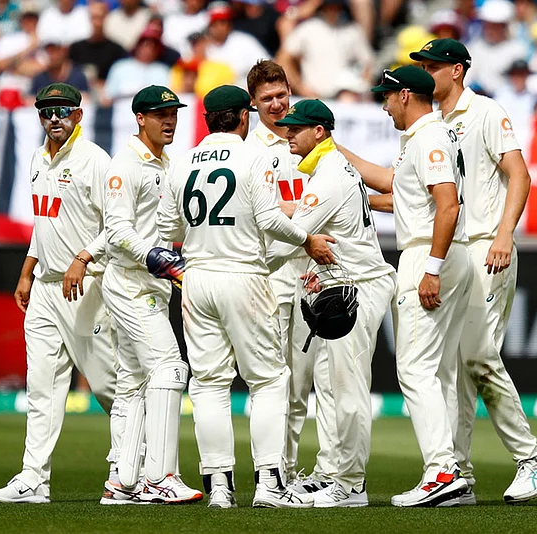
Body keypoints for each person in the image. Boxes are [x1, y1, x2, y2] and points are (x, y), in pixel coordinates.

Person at [156, 85, 336, 509]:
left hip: (197, 278)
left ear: (206, 120)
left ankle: (219, 485)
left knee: (208, 384)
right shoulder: (253, 156)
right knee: (269, 380)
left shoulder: (181, 164)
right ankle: (270, 484)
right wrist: (307, 239)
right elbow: (270, 218)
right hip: (244, 275)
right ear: (242, 117)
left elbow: (168, 234)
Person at [409, 38, 537, 504]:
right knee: (454, 367)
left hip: (486, 248)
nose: (426, 74)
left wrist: (505, 234)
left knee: (475, 356)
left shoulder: (486, 113)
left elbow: (520, 174)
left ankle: (531, 458)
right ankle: (460, 474)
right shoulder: (429, 125)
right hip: (454, 252)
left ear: (457, 70)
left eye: (432, 66)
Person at [343, 65, 473, 507]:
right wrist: (334, 156)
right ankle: (455, 471)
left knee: (416, 370)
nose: (383, 104)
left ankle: (441, 473)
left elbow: (448, 206)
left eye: (387, 96)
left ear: (405, 96)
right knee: (441, 371)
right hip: (442, 253)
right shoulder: (424, 138)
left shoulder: (429, 138)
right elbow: (392, 193)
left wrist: (431, 267)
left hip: (428, 253)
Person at [0, 83, 119, 504]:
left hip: (86, 286)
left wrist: (83, 259)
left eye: (62, 111)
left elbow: (116, 226)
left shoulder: (95, 160)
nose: (54, 118)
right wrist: (27, 272)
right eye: (46, 112)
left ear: (78, 115)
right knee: (41, 386)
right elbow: (44, 227)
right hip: (45, 287)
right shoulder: (38, 158)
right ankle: (33, 480)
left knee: (108, 385)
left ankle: (131, 469)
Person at [269, 98, 396, 508]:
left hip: (355, 288)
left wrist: (239, 262)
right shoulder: (330, 168)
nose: (288, 133)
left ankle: (352, 484)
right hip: (341, 286)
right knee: (330, 383)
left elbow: (291, 233)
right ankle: (330, 472)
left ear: (319, 132)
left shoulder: (328, 176)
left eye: (296, 128)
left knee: (347, 389)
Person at [99, 85, 202, 505]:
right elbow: (117, 230)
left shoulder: (167, 163)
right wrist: (157, 257)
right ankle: (160, 476)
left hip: (152, 284)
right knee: (170, 369)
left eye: (174, 112)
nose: (170, 119)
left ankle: (121, 481)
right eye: (160, 113)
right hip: (129, 283)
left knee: (133, 383)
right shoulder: (125, 164)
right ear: (139, 117)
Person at [245, 60, 339, 494]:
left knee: (301, 381)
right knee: (271, 378)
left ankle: (287, 470)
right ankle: (270, 470)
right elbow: (259, 215)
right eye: (267, 99)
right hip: (269, 273)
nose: (277, 104)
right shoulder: (252, 149)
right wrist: (298, 219)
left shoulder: (307, 137)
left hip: (310, 273)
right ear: (253, 104)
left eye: (281, 94)